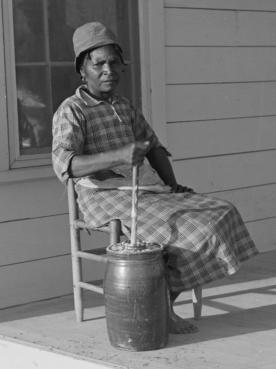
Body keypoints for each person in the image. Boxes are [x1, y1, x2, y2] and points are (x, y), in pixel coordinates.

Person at [52, 22, 258, 334]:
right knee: (176, 232)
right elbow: (66, 166)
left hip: (147, 191)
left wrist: (172, 185)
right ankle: (161, 308)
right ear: (83, 70)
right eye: (99, 64)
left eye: (114, 62)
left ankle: (160, 300)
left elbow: (154, 148)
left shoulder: (124, 106)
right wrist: (119, 156)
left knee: (219, 212)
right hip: (105, 198)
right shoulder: (72, 110)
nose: (109, 70)